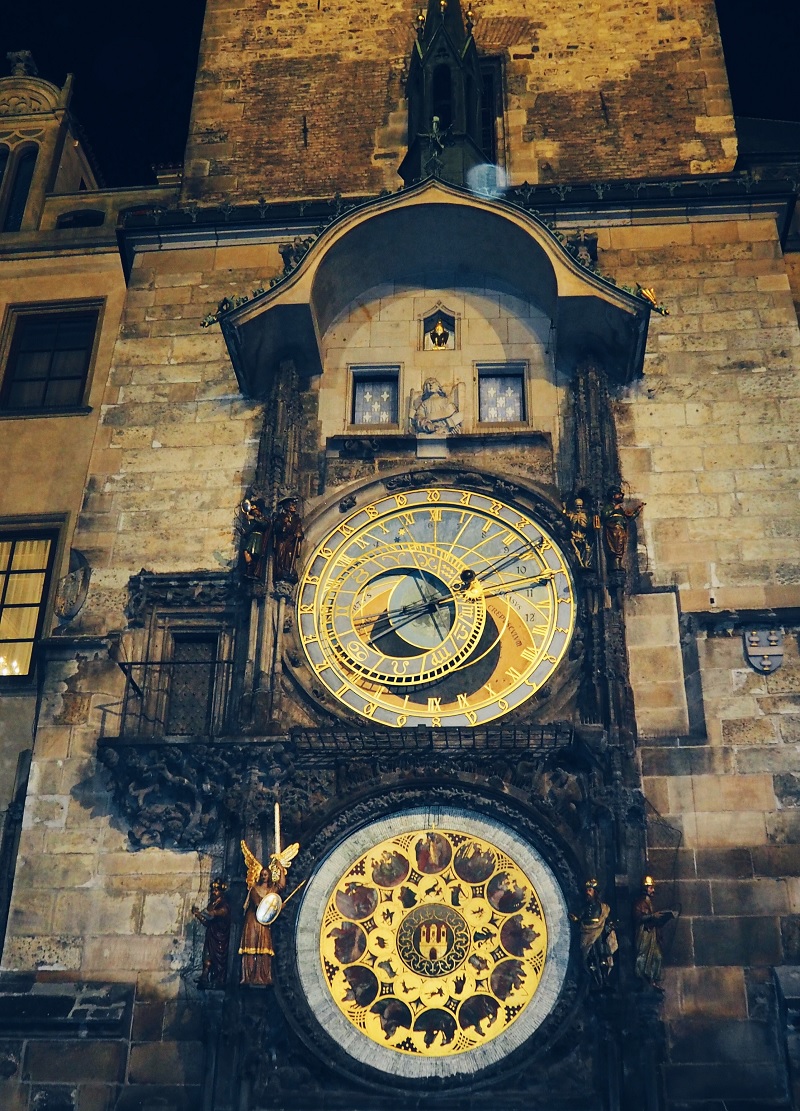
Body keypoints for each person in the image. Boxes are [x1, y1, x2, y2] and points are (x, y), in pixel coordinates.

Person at [239, 857, 287, 986]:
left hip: (264, 922)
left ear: (270, 876)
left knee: (264, 946)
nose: (264, 876)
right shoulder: (255, 889)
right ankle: (249, 976)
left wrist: (281, 870)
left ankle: (262, 976)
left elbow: (281, 885)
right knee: (252, 946)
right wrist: (277, 905)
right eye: (262, 875)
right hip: (253, 920)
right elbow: (258, 905)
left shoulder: (271, 890)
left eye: (266, 874)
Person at [570, 878, 618, 988]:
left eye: (590, 890)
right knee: (590, 958)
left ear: (595, 892)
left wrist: (611, 924)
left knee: (602, 957)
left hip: (599, 932)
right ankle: (595, 981)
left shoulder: (602, 907)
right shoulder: (585, 908)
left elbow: (607, 918)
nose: (588, 892)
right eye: (587, 890)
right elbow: (579, 917)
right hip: (587, 933)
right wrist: (575, 919)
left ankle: (605, 980)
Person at [633, 875, 678, 990]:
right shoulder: (640, 903)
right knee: (642, 956)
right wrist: (653, 916)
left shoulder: (650, 903)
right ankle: (642, 979)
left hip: (652, 933)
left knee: (657, 956)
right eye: (651, 887)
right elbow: (638, 918)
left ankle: (652, 979)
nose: (653, 890)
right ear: (645, 888)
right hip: (644, 934)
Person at [191, 877, 231, 989]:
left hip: (220, 937)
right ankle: (204, 976)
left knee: (218, 959)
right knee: (207, 955)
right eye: (213, 890)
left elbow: (214, 914)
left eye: (216, 890)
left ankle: (219, 979)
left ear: (221, 892)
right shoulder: (212, 904)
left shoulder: (223, 905)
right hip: (211, 934)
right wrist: (198, 915)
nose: (214, 892)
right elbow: (207, 922)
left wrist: (204, 912)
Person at [601, 485, 644, 571]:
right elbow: (604, 514)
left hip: (621, 528)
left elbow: (628, 518)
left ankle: (618, 563)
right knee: (616, 546)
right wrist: (613, 509)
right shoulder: (609, 506)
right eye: (618, 494)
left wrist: (638, 511)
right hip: (613, 528)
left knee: (621, 544)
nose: (621, 496)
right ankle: (615, 564)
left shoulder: (620, 509)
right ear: (613, 496)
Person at [272, 497, 304, 584]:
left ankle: (289, 570)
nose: (294, 507)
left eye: (294, 505)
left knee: (290, 556)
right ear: (287, 507)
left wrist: (299, 533)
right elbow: (276, 528)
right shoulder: (281, 517)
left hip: (291, 540)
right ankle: (281, 570)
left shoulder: (297, 519)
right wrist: (284, 524)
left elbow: (299, 529)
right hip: (282, 539)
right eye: (292, 505)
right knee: (281, 555)